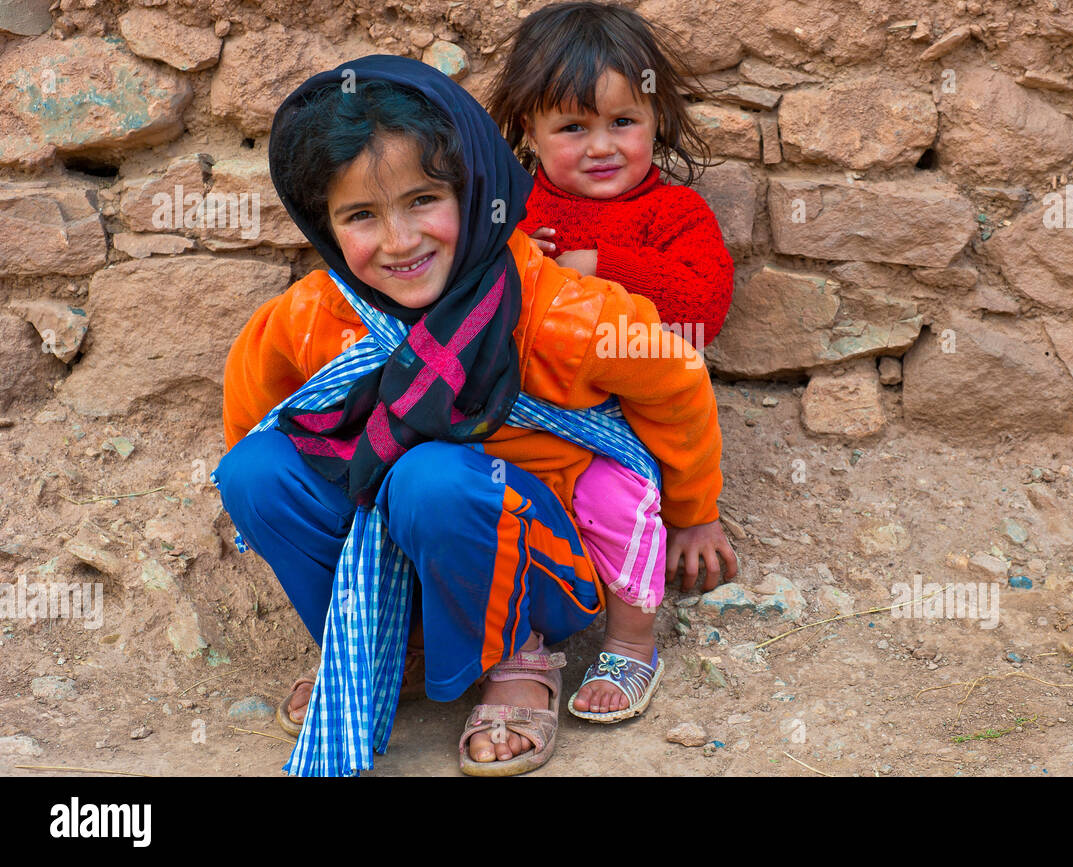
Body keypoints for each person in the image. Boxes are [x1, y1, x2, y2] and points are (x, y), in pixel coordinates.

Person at [212, 54, 733, 776]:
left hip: (547, 562)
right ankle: (397, 647)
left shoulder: (557, 313)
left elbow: (678, 378)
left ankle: (518, 659)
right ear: (326, 227)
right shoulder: (313, 317)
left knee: (432, 475)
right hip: (412, 550)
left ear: (475, 187)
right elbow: (256, 405)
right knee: (255, 471)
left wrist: (694, 510)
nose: (400, 241)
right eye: (361, 215)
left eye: (424, 199)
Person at [483, 1, 737, 721]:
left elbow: (702, 309)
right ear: (528, 131)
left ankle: (631, 642)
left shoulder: (675, 214)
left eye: (622, 122)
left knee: (614, 506)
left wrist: (607, 264)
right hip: (525, 418)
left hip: (625, 427)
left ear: (656, 119)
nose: (601, 146)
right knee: (496, 514)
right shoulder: (513, 211)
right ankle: (519, 650)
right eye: (572, 127)